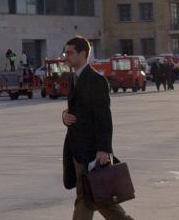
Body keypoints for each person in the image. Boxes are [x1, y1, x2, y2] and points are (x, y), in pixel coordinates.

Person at [61, 36, 133, 220]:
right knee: (99, 198)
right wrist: (65, 116)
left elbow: (103, 118)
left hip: (91, 151)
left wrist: (104, 149)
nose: (65, 57)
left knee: (86, 196)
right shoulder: (74, 78)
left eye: (70, 53)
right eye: (65, 52)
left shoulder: (95, 80)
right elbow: (79, 111)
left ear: (83, 54)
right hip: (77, 149)